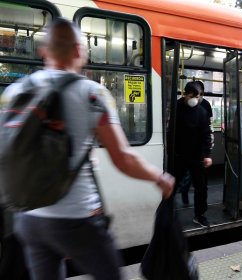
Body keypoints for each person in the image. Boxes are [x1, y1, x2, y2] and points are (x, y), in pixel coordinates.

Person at [5, 18, 174, 280]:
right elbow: (124, 158)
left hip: (28, 219)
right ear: (78, 50)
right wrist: (159, 177)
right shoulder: (92, 94)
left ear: (44, 51)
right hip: (76, 218)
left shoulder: (16, 91)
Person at [174, 81, 213, 227]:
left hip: (197, 156)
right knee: (172, 185)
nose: (195, 99)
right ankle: (168, 213)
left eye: (198, 96)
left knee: (201, 187)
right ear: (185, 94)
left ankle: (200, 215)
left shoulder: (202, 112)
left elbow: (206, 135)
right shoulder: (176, 108)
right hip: (180, 154)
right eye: (193, 95)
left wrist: (207, 154)